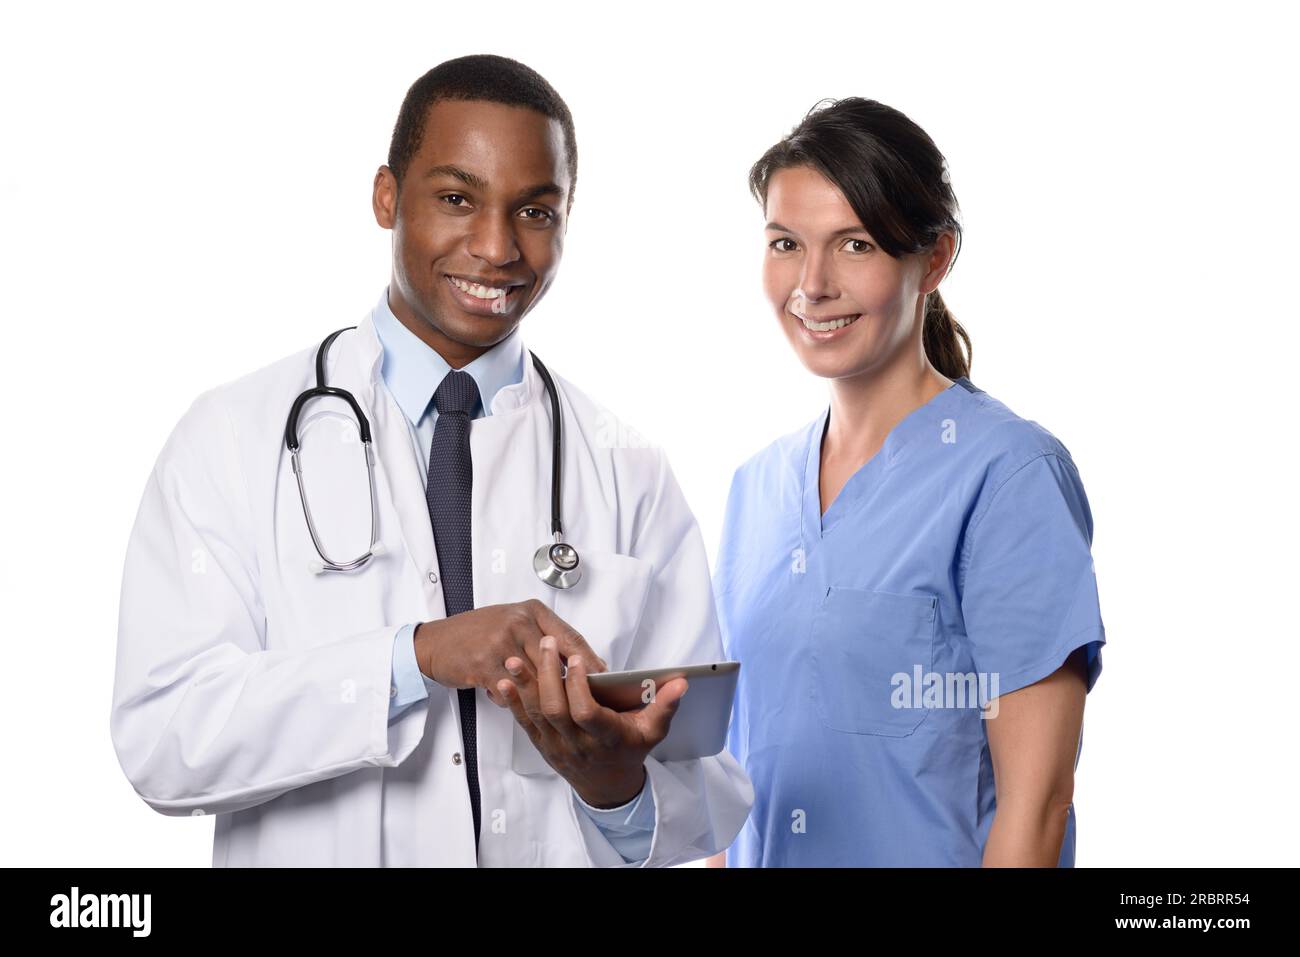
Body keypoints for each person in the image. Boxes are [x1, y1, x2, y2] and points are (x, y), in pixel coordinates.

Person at [110, 54, 752, 867]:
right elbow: (163, 739)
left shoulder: (627, 468)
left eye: (535, 211)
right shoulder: (232, 438)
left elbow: (712, 791)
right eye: (457, 198)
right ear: (387, 196)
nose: (496, 247)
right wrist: (413, 657)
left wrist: (614, 785)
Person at [707, 97, 1104, 867]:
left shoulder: (1008, 475)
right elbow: (728, 785)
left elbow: (1038, 803)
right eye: (786, 242)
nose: (812, 283)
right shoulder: (754, 490)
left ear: (935, 258)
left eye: (854, 245)